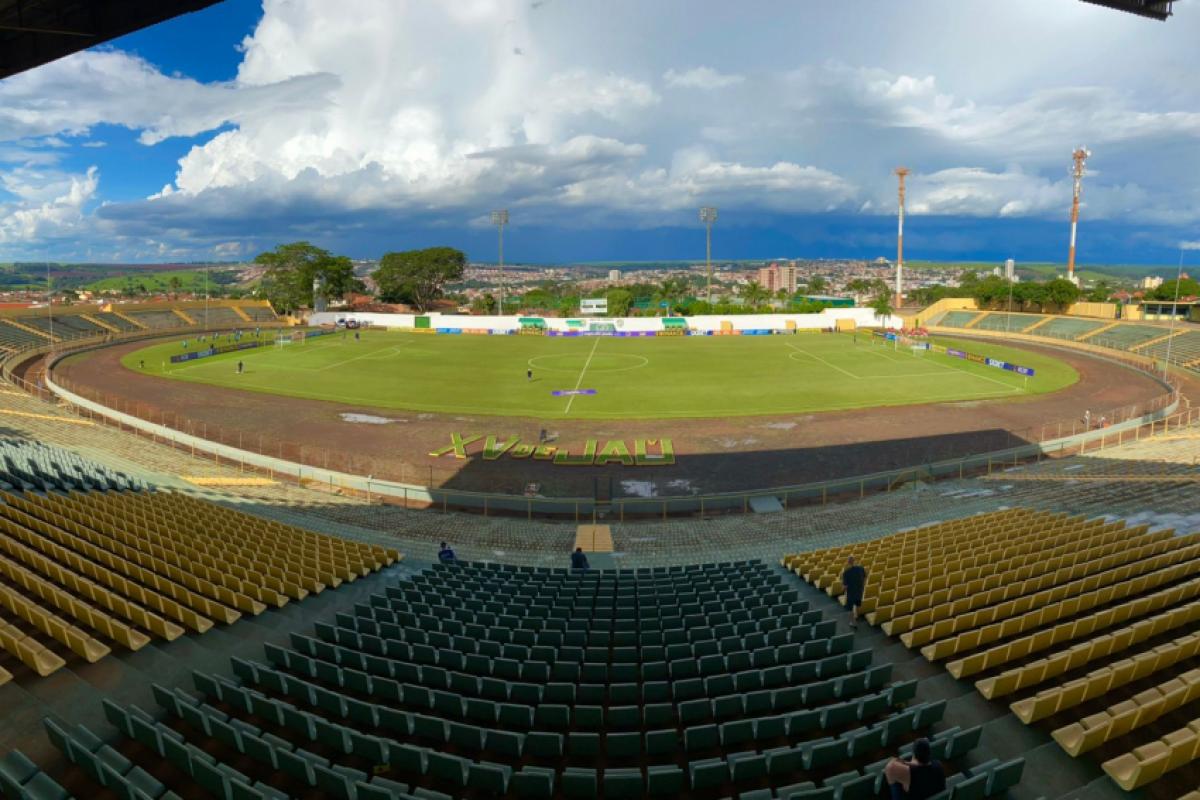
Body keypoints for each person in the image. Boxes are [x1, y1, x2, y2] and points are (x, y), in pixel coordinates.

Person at [842, 556, 867, 629]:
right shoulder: (861, 568)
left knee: (849, 609)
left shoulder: (846, 573)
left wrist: (842, 589)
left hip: (851, 593)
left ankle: (853, 622)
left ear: (848, 562)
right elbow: (865, 577)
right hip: (860, 591)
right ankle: (856, 615)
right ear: (854, 561)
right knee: (857, 603)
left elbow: (845, 586)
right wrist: (862, 585)